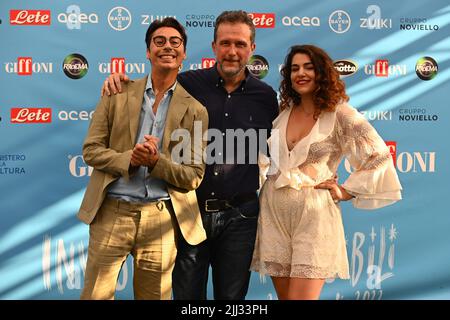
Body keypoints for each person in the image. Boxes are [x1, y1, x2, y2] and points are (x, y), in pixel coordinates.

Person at [102, 11, 279, 300]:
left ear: (252, 49)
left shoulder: (265, 97)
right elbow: (149, 89)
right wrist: (118, 82)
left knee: (232, 302)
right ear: (213, 47)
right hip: (188, 212)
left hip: (241, 218)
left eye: (240, 44)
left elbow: (284, 148)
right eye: (225, 43)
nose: (232, 51)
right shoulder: (186, 84)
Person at [250, 44, 402, 300]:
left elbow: (379, 155)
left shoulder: (340, 114)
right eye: (295, 69)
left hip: (314, 217)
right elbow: (264, 160)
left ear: (322, 72)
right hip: (273, 213)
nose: (301, 73)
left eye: (309, 67)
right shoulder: (281, 113)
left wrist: (345, 191)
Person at [77, 17, 208, 300]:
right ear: (148, 52)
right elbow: (91, 150)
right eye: (159, 41)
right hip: (112, 212)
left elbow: (194, 175)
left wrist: (156, 163)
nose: (167, 47)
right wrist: (131, 160)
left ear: (184, 53)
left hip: (160, 219)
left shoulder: (196, 110)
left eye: (175, 42)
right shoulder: (116, 92)